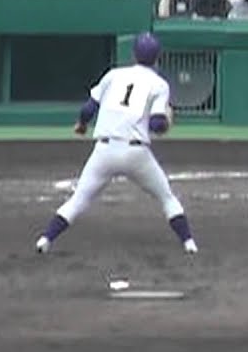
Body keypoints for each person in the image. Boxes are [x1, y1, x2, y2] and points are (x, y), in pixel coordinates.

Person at [34, 33, 198, 256]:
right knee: (166, 197)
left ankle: (45, 239)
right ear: (158, 57)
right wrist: (167, 121)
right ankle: (189, 243)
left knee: (78, 200)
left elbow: (88, 109)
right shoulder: (159, 84)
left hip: (104, 151)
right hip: (136, 154)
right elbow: (157, 125)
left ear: (134, 54)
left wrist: (82, 125)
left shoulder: (114, 75)